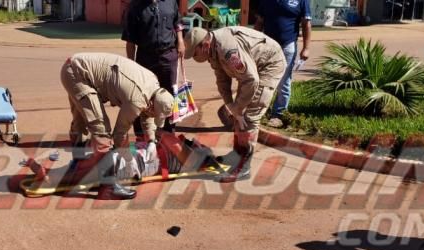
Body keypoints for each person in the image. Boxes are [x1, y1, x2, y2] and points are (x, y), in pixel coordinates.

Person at [60, 52, 174, 200]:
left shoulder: (153, 85)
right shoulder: (137, 98)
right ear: (152, 104)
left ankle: (78, 164)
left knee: (80, 121)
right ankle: (108, 187)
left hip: (76, 68)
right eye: (155, 113)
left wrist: (151, 141)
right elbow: (119, 135)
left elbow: (147, 114)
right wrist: (128, 160)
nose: (154, 117)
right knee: (101, 130)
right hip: (78, 74)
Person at [183, 26, 286, 182]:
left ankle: (243, 167)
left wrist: (238, 109)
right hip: (252, 71)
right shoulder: (212, 50)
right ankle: (237, 154)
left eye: (195, 53)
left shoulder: (227, 49)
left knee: (250, 117)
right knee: (238, 116)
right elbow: (222, 80)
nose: (194, 58)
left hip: (269, 65)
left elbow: (252, 80)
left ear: (204, 45)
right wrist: (231, 107)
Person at [122, 0, 185, 134]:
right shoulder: (134, 7)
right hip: (145, 58)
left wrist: (180, 41)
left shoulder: (170, 2)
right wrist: (131, 66)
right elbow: (130, 40)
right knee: (142, 97)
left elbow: (177, 22)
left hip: (168, 55)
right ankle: (142, 136)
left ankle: (168, 133)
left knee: (170, 96)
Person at [254, 0, 312, 128]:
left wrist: (306, 48)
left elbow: (306, 23)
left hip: (288, 45)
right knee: (261, 79)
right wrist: (253, 45)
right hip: (267, 46)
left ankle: (278, 115)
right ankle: (257, 112)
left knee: (283, 81)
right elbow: (259, 23)